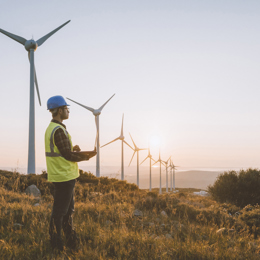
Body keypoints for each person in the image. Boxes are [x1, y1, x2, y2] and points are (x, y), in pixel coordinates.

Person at [45, 95, 96, 251]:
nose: (68, 111)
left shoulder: (54, 128)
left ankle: (71, 241)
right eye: (66, 108)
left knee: (66, 212)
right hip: (64, 177)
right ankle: (56, 244)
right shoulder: (58, 130)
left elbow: (63, 152)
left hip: (63, 176)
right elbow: (66, 155)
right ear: (60, 110)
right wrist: (86, 156)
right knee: (60, 212)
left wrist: (73, 150)